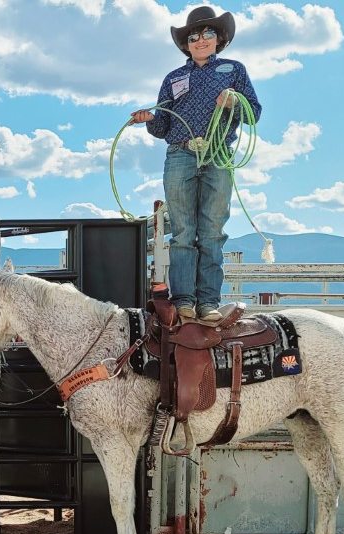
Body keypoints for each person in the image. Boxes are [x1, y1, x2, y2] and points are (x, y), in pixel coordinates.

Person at [132, 6, 261, 323]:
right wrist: (149, 119)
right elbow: (163, 126)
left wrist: (234, 101)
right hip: (181, 153)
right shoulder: (174, 77)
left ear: (219, 38)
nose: (200, 40)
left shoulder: (234, 70)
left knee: (213, 230)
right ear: (186, 43)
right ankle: (184, 300)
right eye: (194, 36)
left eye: (207, 34)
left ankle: (208, 302)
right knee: (183, 231)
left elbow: (253, 112)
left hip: (218, 152)